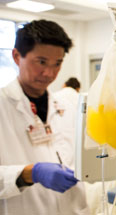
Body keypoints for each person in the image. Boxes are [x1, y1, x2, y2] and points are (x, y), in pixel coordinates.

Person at [0, 20, 89, 214]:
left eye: (57, 64)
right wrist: (30, 173)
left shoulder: (67, 107)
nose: (49, 73)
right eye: (41, 62)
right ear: (16, 56)